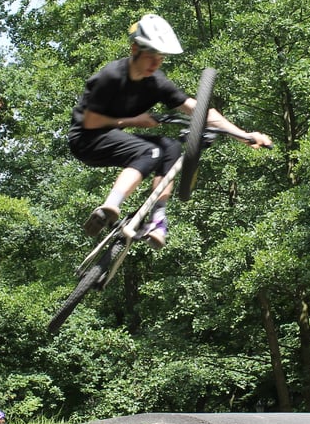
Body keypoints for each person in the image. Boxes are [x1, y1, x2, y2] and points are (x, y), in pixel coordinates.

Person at [69, 14, 271, 248]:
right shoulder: (111, 76)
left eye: (160, 58)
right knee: (150, 152)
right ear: (135, 49)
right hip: (86, 139)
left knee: (171, 147)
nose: (155, 64)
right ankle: (109, 207)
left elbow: (200, 110)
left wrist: (243, 135)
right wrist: (134, 120)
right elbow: (91, 122)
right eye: (150, 57)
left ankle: (157, 218)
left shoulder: (156, 82)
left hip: (112, 137)